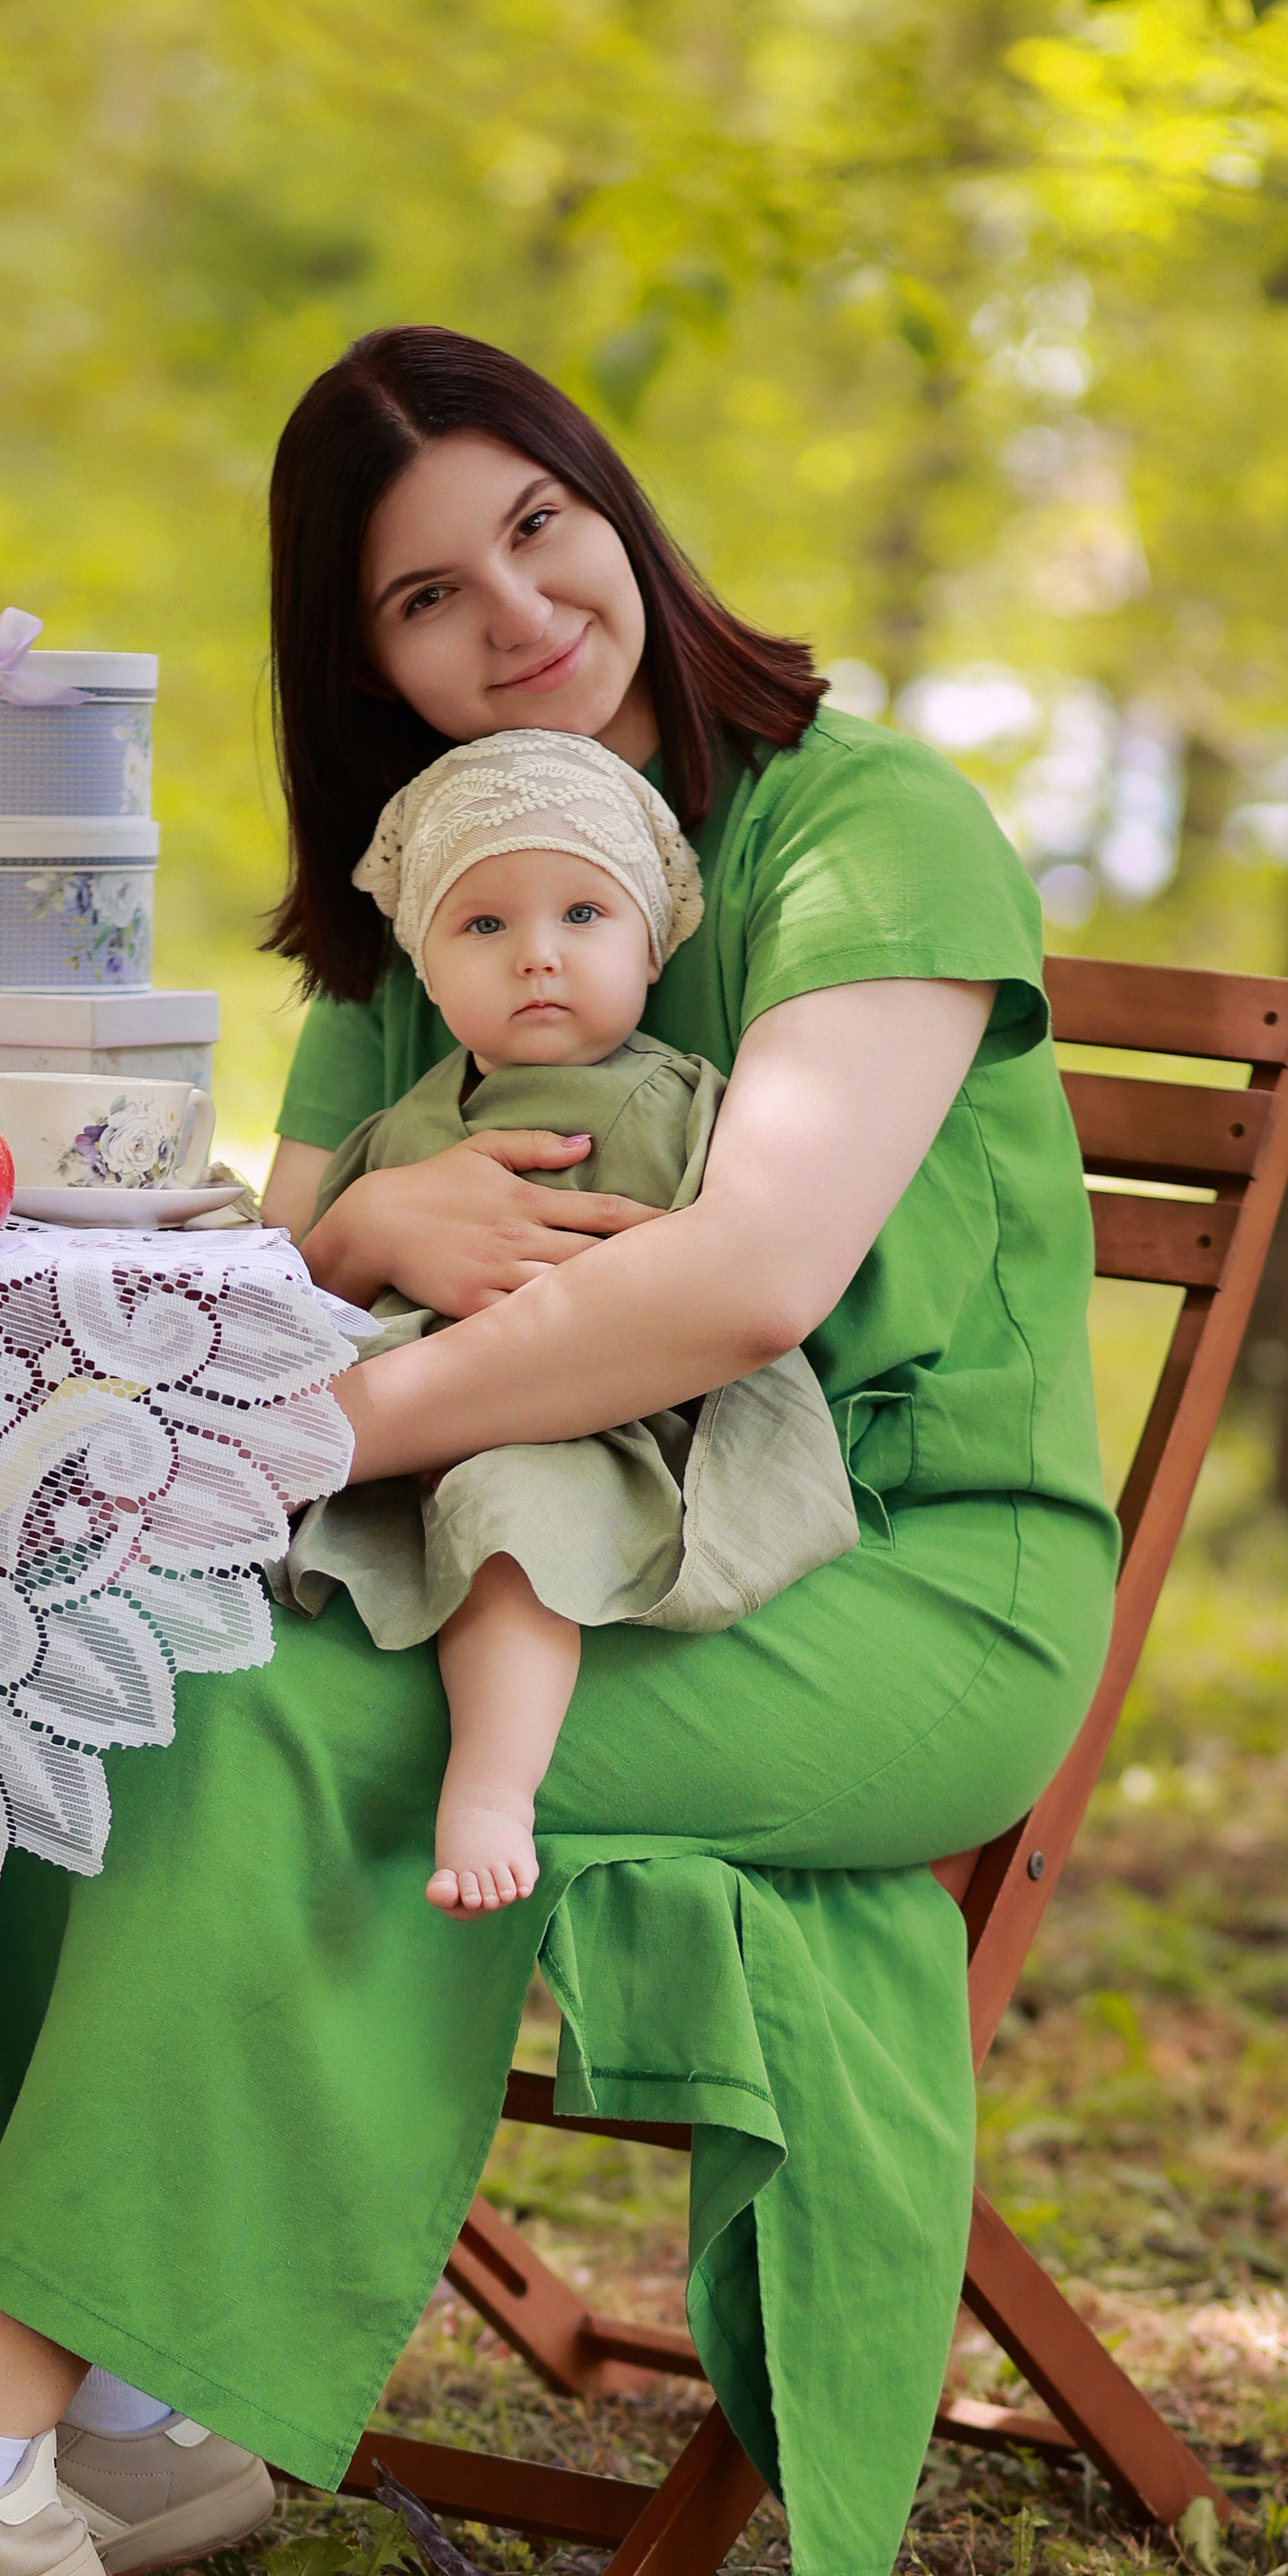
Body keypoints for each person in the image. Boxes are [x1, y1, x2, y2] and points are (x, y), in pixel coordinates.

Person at [0, 323, 1117, 2576]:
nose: (507, 611)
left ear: (614, 508)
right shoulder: (429, 901)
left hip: (893, 1584)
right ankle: (120, 2417)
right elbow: (277, 1239)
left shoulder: (857, 830)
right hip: (524, 1544)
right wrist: (364, 1218)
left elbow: (745, 1277)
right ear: (363, 660)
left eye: (534, 525)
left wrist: (336, 1419)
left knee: (280, 1715)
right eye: (422, 594)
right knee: (88, 1645)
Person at [283, 724, 856, 1915]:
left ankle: (490, 1790)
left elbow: (730, 1271)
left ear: (652, 949)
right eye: (484, 925)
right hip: (405, 1424)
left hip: (596, 1430)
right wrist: (358, 1238)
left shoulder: (681, 1102)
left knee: (508, 1522)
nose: (537, 956)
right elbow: (298, 1301)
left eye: (583, 917)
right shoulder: (403, 1129)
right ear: (428, 972)